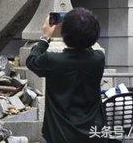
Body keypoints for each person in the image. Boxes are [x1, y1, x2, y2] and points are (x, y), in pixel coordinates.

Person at [26, 7, 107, 143]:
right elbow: (87, 47)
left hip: (61, 134)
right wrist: (83, 29)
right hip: (94, 133)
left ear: (65, 33)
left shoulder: (52, 60)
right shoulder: (99, 58)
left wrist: (45, 37)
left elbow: (31, 61)